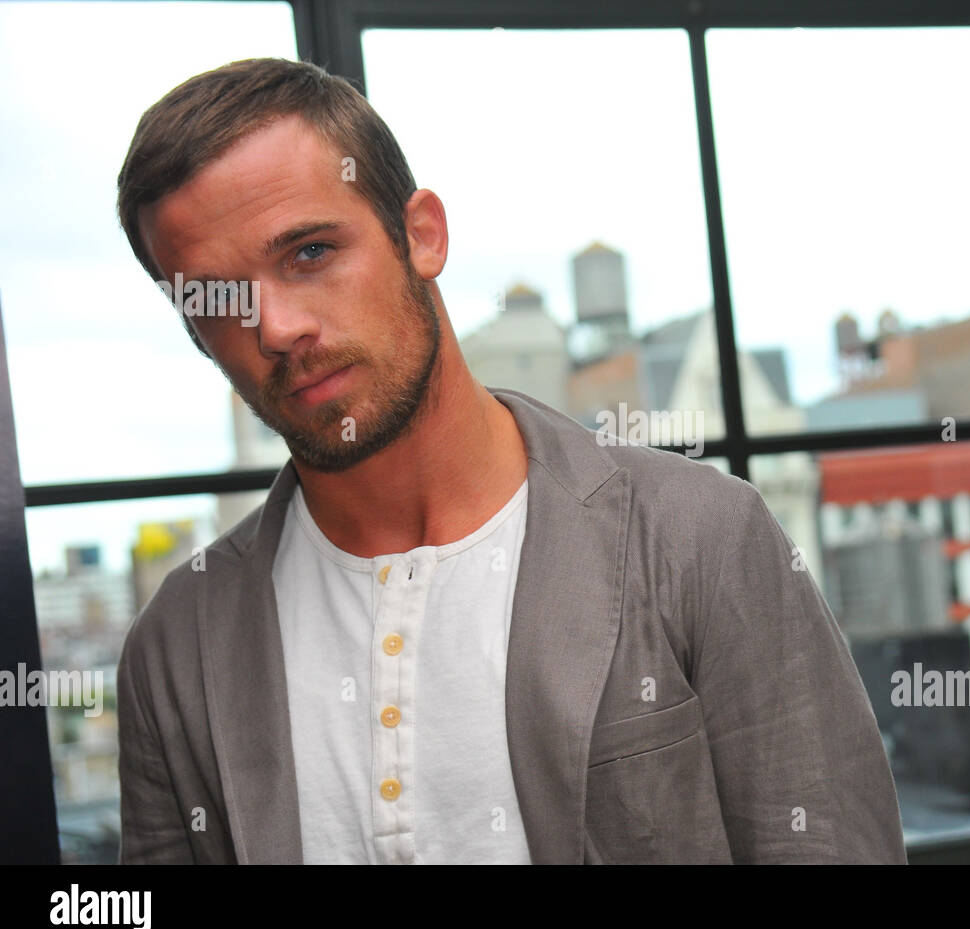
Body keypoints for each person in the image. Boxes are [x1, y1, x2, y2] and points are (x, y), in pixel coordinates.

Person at [114, 57, 906, 864]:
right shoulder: (177, 645)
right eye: (217, 298)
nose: (276, 326)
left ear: (422, 235)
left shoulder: (697, 537)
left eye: (310, 253)